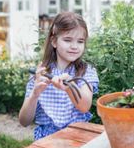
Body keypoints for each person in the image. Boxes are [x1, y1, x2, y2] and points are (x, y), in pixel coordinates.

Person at [19, 11, 99, 140]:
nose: (74, 46)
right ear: (54, 41)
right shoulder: (41, 73)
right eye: (67, 40)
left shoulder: (86, 71)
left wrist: (69, 88)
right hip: (46, 138)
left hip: (77, 135)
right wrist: (35, 94)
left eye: (80, 41)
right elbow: (24, 121)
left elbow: (84, 106)